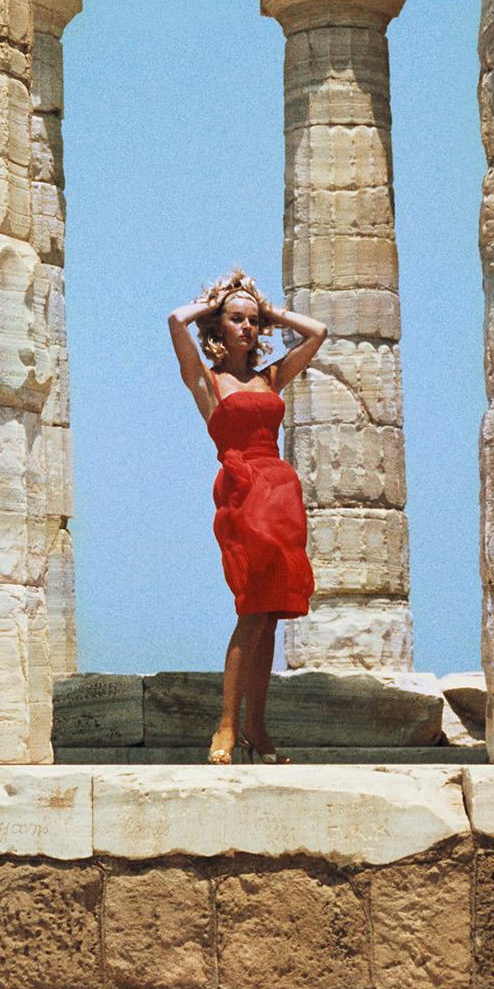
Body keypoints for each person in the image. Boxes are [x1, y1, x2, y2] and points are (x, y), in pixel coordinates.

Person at [167, 269, 328, 764]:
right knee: (251, 608)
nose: (248, 328)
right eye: (237, 320)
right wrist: (214, 299)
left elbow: (317, 333)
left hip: (280, 492)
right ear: (218, 326)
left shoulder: (271, 377)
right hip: (241, 492)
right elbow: (175, 320)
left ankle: (257, 728)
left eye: (253, 322)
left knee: (271, 614)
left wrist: (269, 307)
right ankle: (227, 725)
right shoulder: (207, 382)